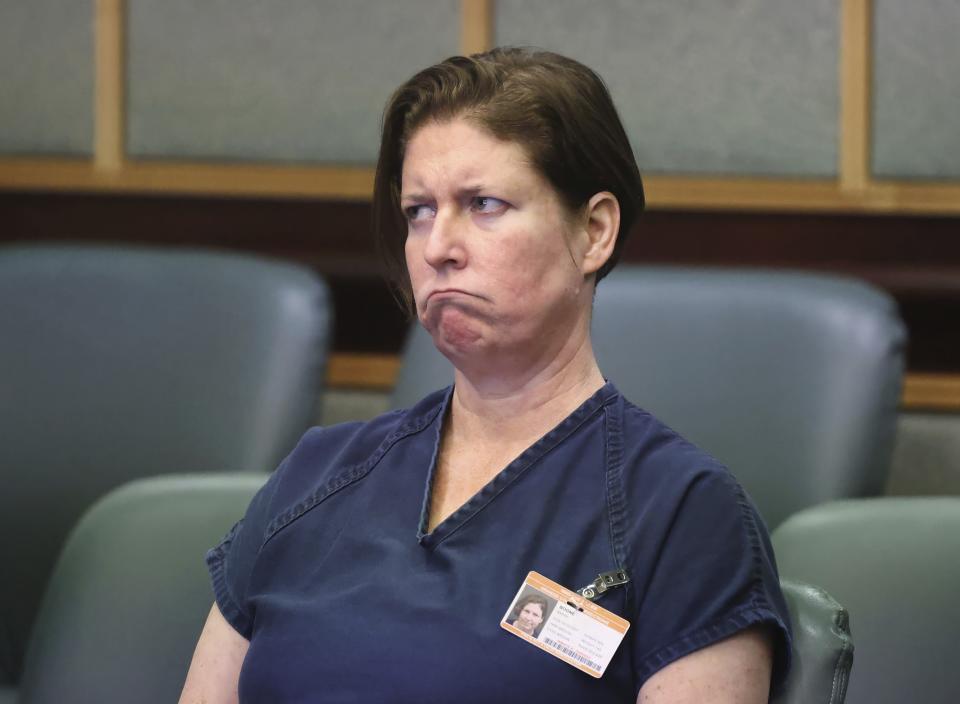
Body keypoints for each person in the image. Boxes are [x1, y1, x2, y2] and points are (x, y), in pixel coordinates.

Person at [180, 47, 791, 703]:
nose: (439, 246)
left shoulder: (679, 511)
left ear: (593, 232)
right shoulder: (315, 476)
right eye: (418, 210)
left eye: (484, 204)